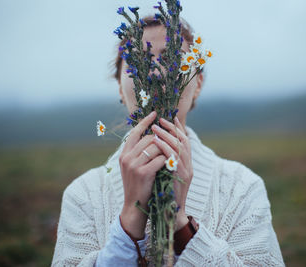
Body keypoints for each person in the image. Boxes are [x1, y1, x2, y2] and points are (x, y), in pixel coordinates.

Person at [51, 16, 285, 267]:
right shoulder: (83, 195)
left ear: (198, 85)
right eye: (137, 61)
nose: (154, 73)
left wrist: (181, 224)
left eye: (172, 58)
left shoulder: (242, 188)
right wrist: (130, 219)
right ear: (120, 87)